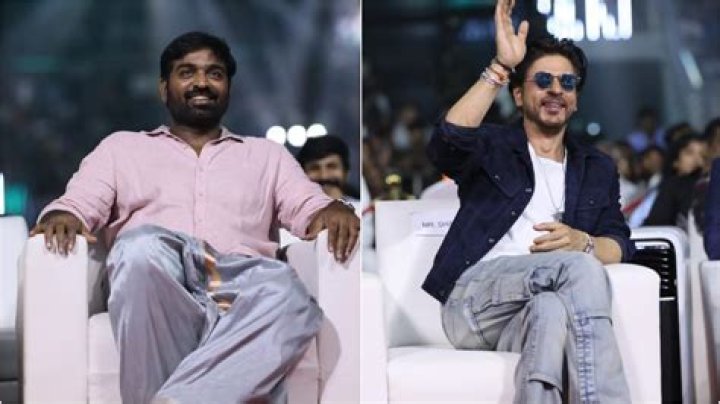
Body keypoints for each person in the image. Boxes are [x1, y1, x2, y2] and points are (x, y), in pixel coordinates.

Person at [29, 32, 359, 403]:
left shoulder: (267, 156)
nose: (201, 82)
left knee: (290, 295)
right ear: (163, 88)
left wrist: (331, 209)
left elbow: (307, 205)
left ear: (228, 88)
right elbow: (79, 202)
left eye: (214, 73)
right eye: (187, 72)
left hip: (241, 281)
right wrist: (65, 214)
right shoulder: (121, 149)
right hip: (155, 281)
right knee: (140, 249)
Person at [422, 1, 634, 402]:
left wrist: (584, 242)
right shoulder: (492, 145)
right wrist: (501, 67)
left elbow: (621, 243)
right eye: (543, 80)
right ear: (519, 95)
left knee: (551, 309)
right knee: (578, 268)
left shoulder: (597, 167)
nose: (556, 90)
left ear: (576, 99)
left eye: (567, 83)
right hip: (472, 300)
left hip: (530, 307)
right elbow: (445, 144)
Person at [296, 134, 358, 201]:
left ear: (345, 172)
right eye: (314, 168)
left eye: (331, 166)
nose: (324, 176)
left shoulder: (360, 207)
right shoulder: (290, 207)